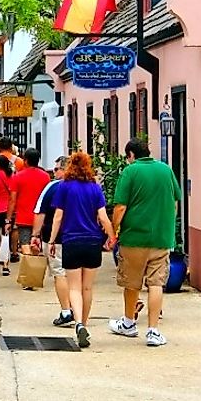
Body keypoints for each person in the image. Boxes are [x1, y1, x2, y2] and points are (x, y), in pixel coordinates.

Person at [108, 138, 182, 347]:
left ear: (131, 155)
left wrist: (115, 231)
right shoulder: (165, 170)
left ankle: (129, 323)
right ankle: (153, 330)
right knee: (156, 283)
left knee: (131, 283)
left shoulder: (130, 172)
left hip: (134, 238)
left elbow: (120, 207)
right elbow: (175, 201)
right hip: (161, 238)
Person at [47, 151, 115, 349]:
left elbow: (58, 217)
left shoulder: (64, 187)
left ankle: (77, 324)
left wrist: (52, 241)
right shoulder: (94, 188)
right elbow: (103, 217)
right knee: (87, 288)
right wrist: (111, 237)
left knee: (74, 287)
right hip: (92, 242)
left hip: (71, 241)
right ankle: (83, 324)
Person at [31, 157, 73, 327]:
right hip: (81, 238)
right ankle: (79, 309)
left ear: (64, 170)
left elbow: (40, 213)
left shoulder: (53, 187)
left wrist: (35, 235)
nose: (54, 173)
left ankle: (66, 311)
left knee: (60, 273)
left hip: (57, 238)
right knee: (77, 275)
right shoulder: (88, 186)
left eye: (56, 169)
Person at [8, 148, 51, 287]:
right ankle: (34, 275)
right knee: (36, 244)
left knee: (25, 245)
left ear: (25, 160)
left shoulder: (17, 177)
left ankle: (29, 278)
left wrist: (8, 218)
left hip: (23, 216)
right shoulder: (45, 176)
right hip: (41, 217)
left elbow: (13, 200)